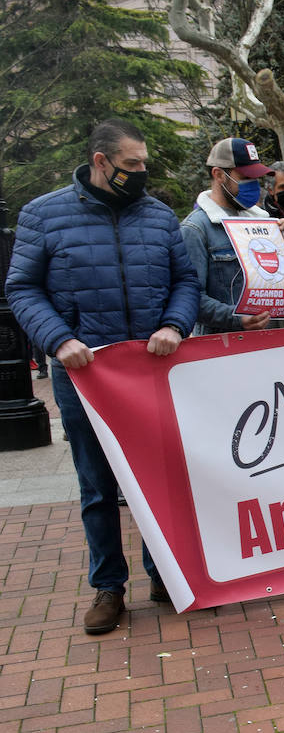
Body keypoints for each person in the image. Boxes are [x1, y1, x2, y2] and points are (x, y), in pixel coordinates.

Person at [5, 118, 199, 633]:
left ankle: (165, 576)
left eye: (143, 164)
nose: (141, 172)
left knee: (160, 477)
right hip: (83, 373)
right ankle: (108, 587)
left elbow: (184, 281)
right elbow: (22, 289)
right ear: (101, 162)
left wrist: (175, 324)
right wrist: (59, 340)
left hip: (153, 369)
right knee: (97, 484)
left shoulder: (159, 218)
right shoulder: (43, 215)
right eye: (131, 164)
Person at [181, 137, 284, 335]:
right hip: (224, 349)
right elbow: (190, 298)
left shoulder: (265, 220)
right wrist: (237, 318)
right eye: (245, 178)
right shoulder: (196, 229)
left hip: (271, 343)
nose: (253, 185)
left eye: (256, 178)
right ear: (218, 175)